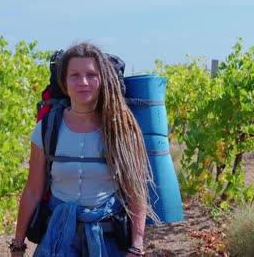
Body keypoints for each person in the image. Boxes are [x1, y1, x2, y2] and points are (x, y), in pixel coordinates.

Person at [9, 42, 159, 256]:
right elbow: (32, 190)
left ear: (102, 80)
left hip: (108, 241)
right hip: (58, 240)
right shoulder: (47, 128)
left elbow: (136, 191)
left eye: (92, 74)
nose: (83, 82)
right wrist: (18, 244)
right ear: (64, 81)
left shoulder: (121, 130)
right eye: (75, 75)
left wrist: (137, 245)